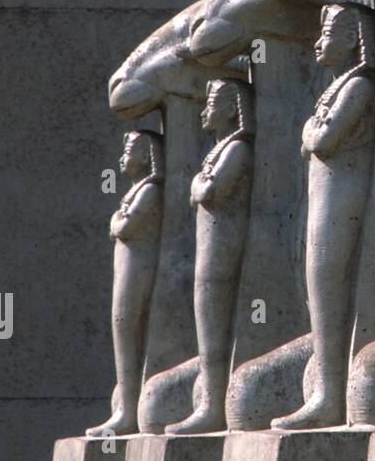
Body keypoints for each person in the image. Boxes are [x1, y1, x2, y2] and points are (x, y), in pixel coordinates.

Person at [272, 2, 375, 429]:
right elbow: (315, 135)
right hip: (323, 209)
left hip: (344, 208)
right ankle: (325, 388)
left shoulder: (358, 87)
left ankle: (331, 394)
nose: (318, 42)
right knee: (316, 283)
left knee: (329, 281)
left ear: (354, 37)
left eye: (328, 32)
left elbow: (323, 136)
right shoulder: (335, 89)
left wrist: (311, 132)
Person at [165, 79, 254, 434]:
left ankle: (214, 403)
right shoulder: (219, 151)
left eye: (212, 102)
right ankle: (209, 399)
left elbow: (209, 189)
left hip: (224, 249)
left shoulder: (237, 149)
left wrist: (201, 186)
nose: (204, 110)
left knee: (216, 313)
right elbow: (200, 189)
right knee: (205, 312)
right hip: (209, 251)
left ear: (232, 108)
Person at [87, 130, 165, 436]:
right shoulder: (137, 191)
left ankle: (129, 410)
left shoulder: (149, 191)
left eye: (130, 150)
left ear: (146, 155)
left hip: (138, 270)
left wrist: (118, 221)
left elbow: (124, 224)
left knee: (128, 322)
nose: (123, 157)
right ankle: (125, 407)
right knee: (122, 324)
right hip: (127, 268)